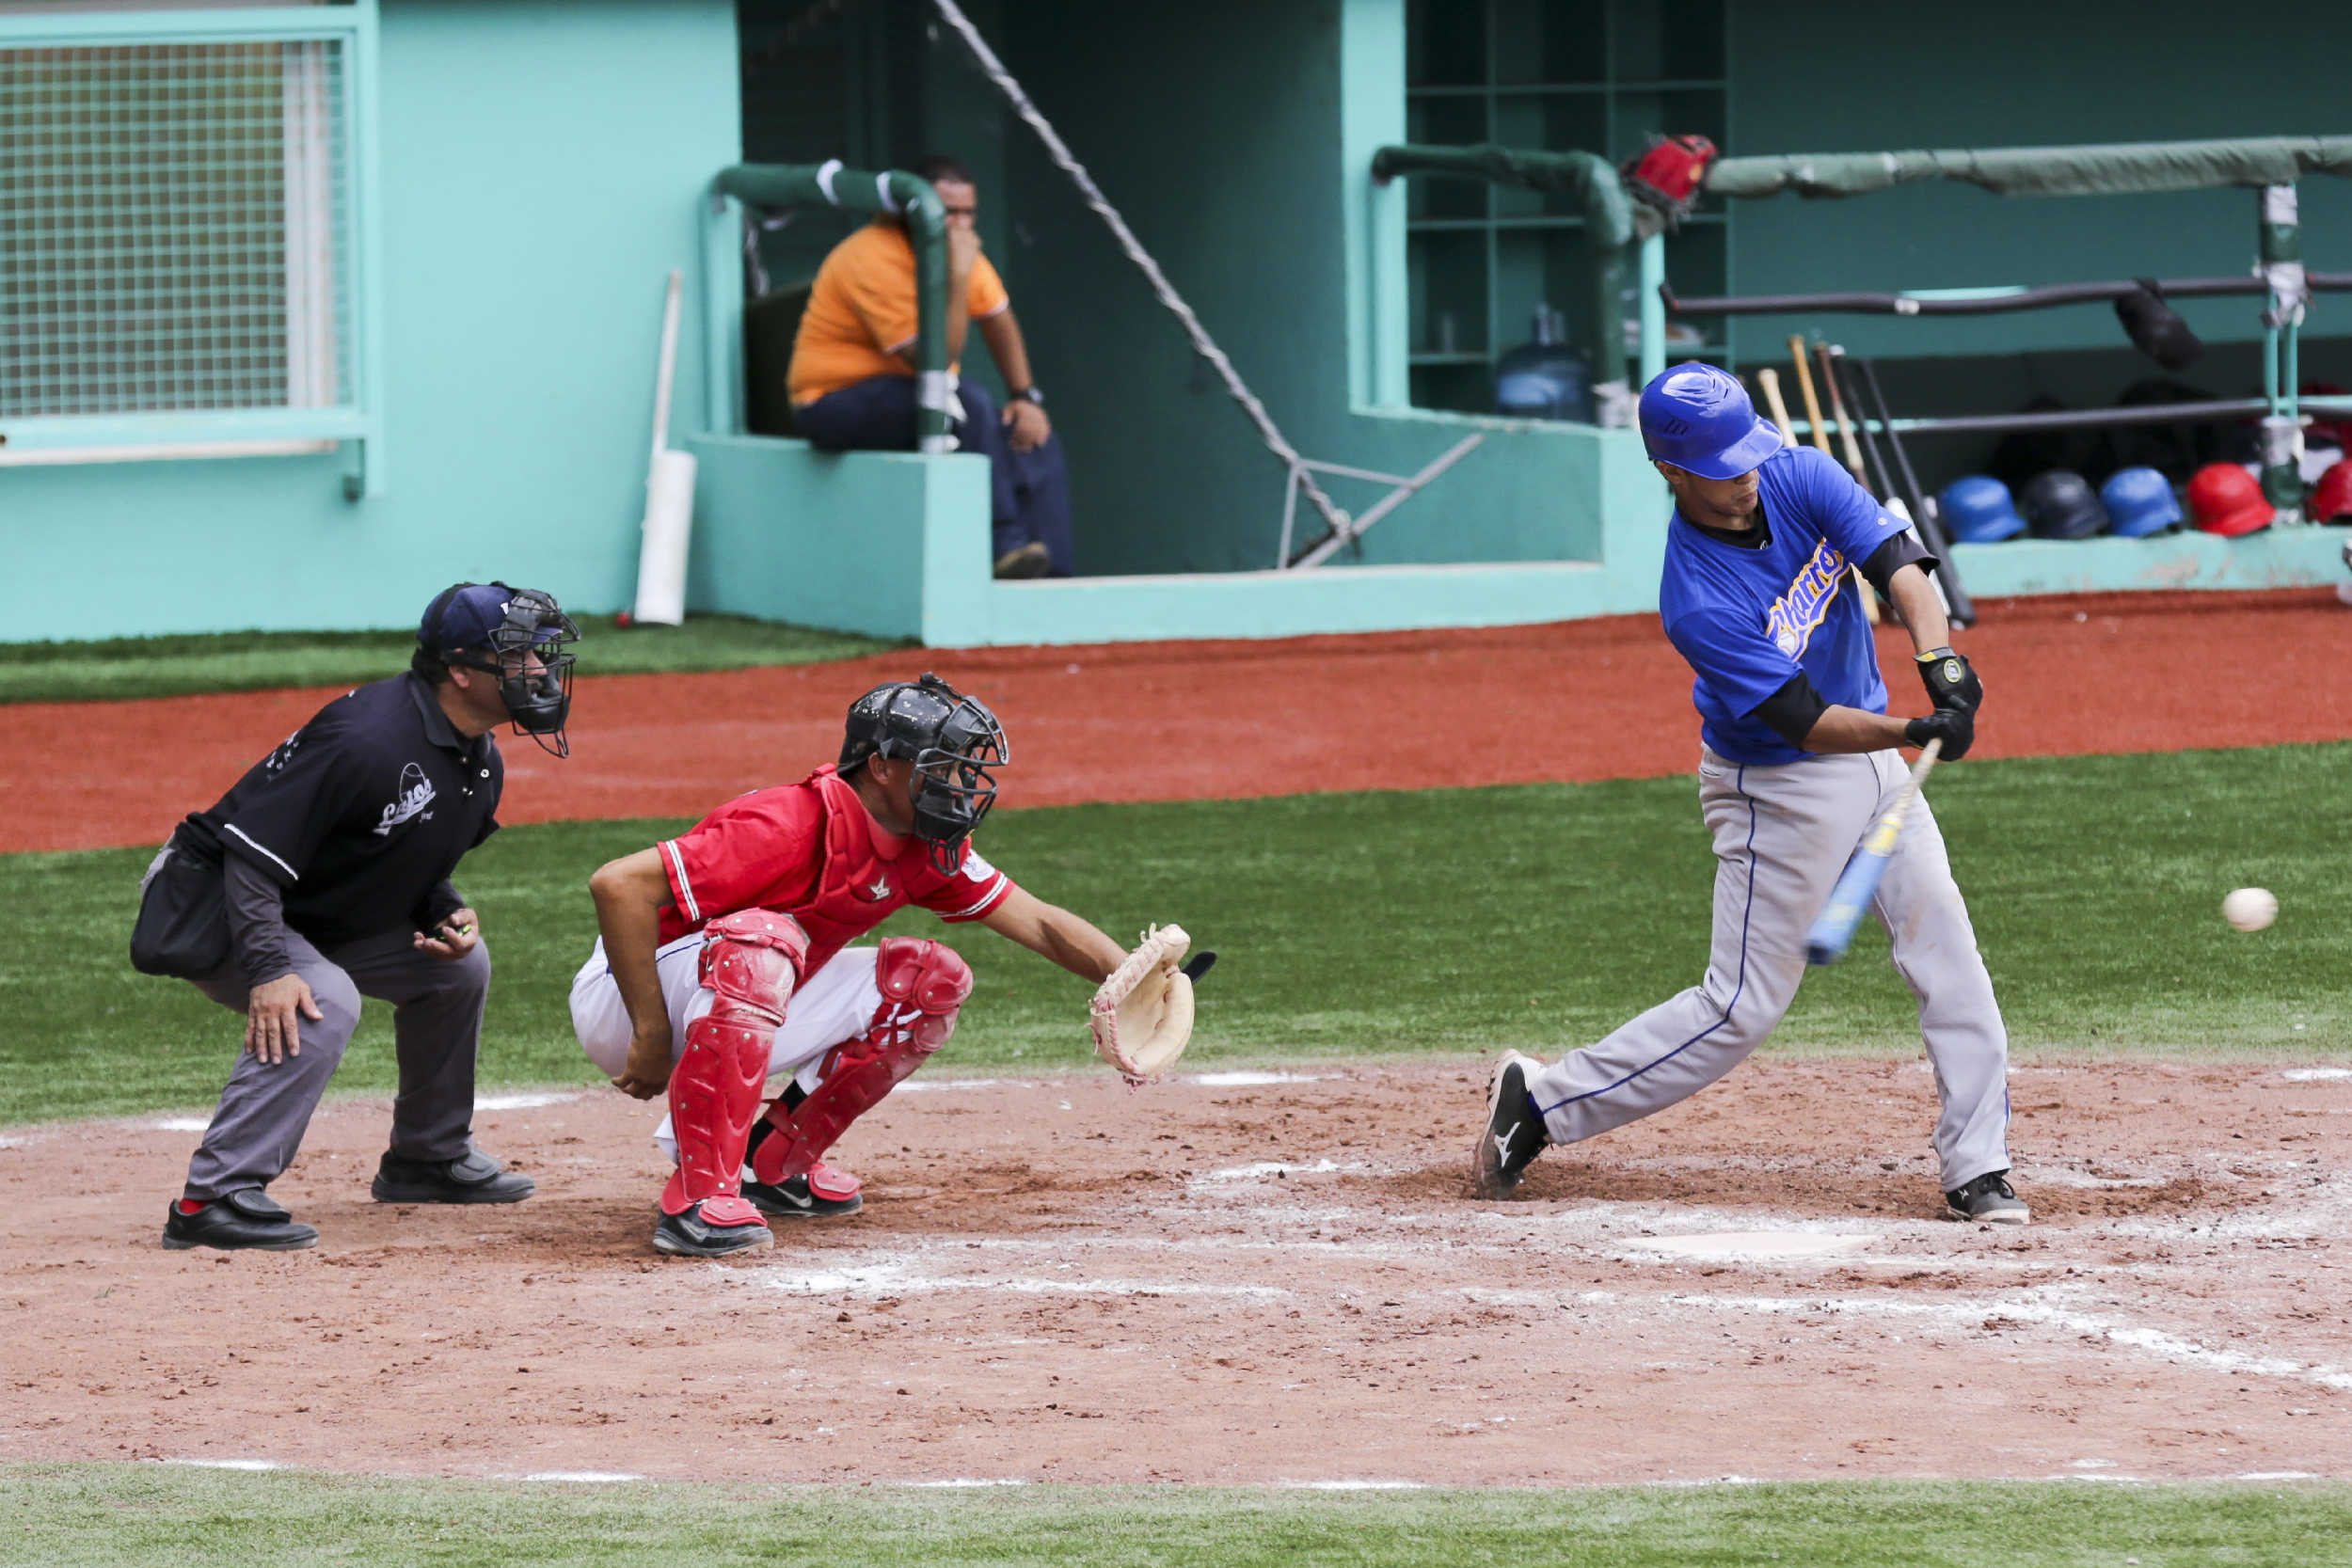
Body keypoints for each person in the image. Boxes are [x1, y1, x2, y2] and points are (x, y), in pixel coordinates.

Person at [1471, 363, 2025, 1226]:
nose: (1745, 478)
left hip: (1877, 764)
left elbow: (1901, 566)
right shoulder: (1695, 596)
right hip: (1777, 788)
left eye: (1748, 458)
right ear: (1673, 471)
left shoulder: (1798, 472)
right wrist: (1913, 733)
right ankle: (1542, 1102)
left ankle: (1978, 1165)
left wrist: (1939, 665)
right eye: (1724, 468)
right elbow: (1804, 722)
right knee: (1738, 1008)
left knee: (1948, 952)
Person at [571, 673, 1133, 1259]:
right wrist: (649, 1030)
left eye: (962, 768)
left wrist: (1139, 979)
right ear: (882, 767)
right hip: (627, 997)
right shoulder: (785, 825)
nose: (959, 785)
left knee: (928, 981)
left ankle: (773, 1166)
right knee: (765, 941)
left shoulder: (924, 848)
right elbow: (617, 885)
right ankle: (699, 1195)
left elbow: (1038, 921)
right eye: (941, 767)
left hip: (734, 991)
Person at [150, 583, 580, 1251]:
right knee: (322, 998)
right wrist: (267, 969)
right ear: (461, 671)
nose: (540, 672)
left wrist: (445, 909)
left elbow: (404, 855)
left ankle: (427, 1158)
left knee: (458, 970)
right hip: (212, 896)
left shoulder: (478, 759)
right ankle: (213, 1195)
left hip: (311, 906)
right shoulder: (365, 738)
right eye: (519, 656)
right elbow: (250, 857)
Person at [787, 153, 1074, 580]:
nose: (960, 224)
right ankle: (1004, 546)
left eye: (968, 213)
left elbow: (998, 320)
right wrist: (958, 275)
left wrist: (1024, 396)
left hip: (919, 396)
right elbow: (934, 363)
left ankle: (1053, 579)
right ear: (908, 211)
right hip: (831, 403)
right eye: (948, 212)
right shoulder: (869, 255)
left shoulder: (954, 247)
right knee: (969, 403)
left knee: (1030, 436)